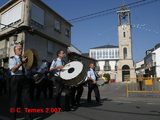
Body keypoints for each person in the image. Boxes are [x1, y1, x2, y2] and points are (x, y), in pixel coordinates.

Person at [9, 43, 32, 120]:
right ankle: (13, 117)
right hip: (15, 78)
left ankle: (28, 117)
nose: (21, 50)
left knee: (26, 99)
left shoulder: (24, 58)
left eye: (21, 48)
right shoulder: (12, 59)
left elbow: (27, 68)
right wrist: (21, 62)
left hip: (24, 78)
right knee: (15, 99)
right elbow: (13, 70)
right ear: (15, 51)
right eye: (19, 49)